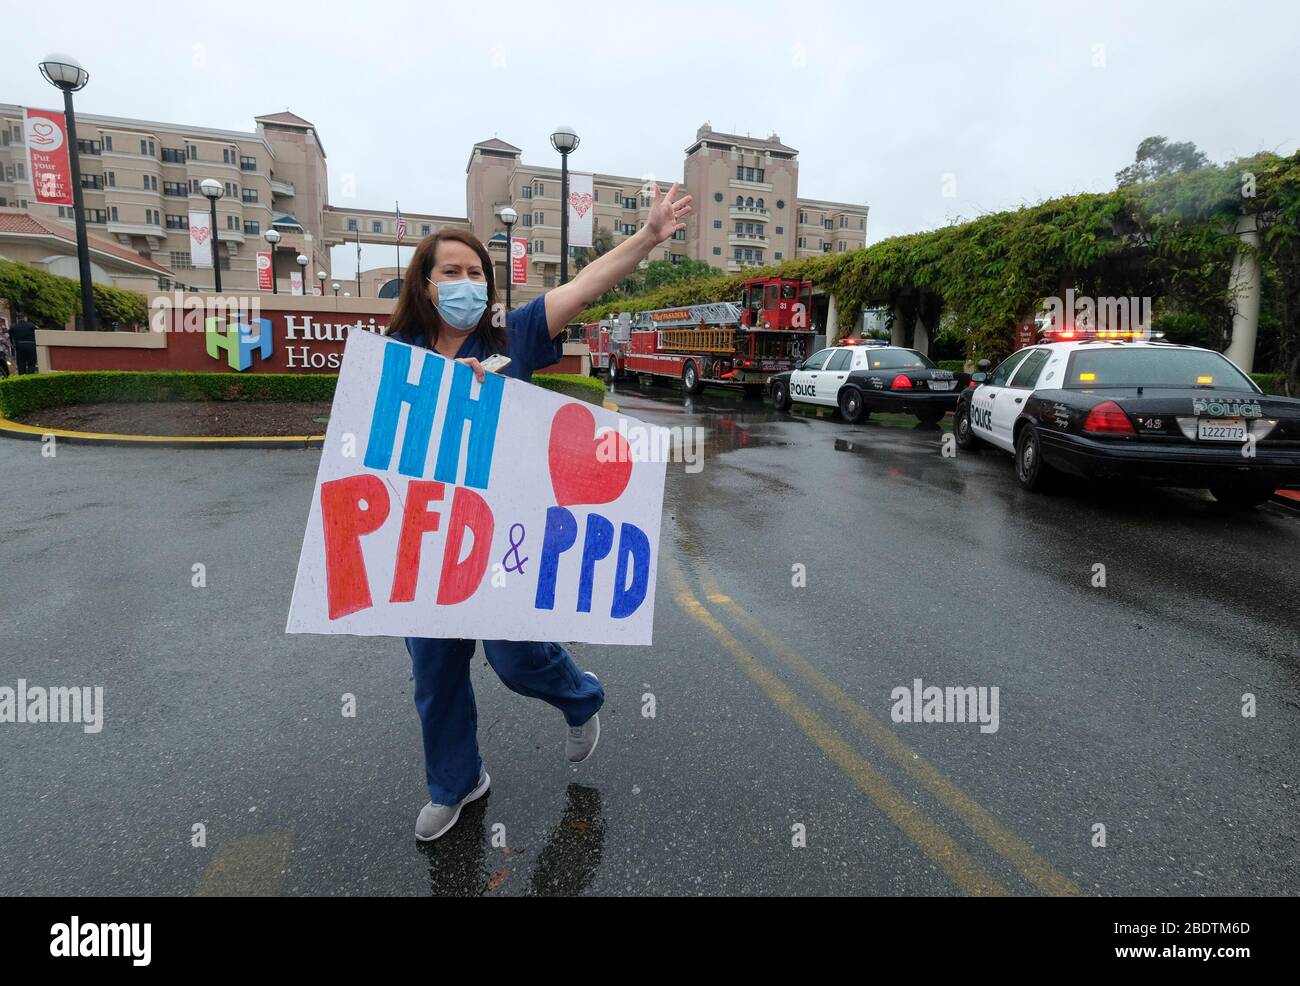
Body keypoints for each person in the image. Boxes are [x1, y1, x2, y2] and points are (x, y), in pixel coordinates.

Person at [385, 182, 693, 841]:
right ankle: (456, 782)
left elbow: (583, 287)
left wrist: (645, 238)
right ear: (426, 283)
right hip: (430, 535)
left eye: (477, 273)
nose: (466, 282)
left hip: (501, 533)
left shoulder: (513, 335)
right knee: (434, 674)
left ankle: (581, 698)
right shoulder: (398, 356)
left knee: (515, 657)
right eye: (452, 272)